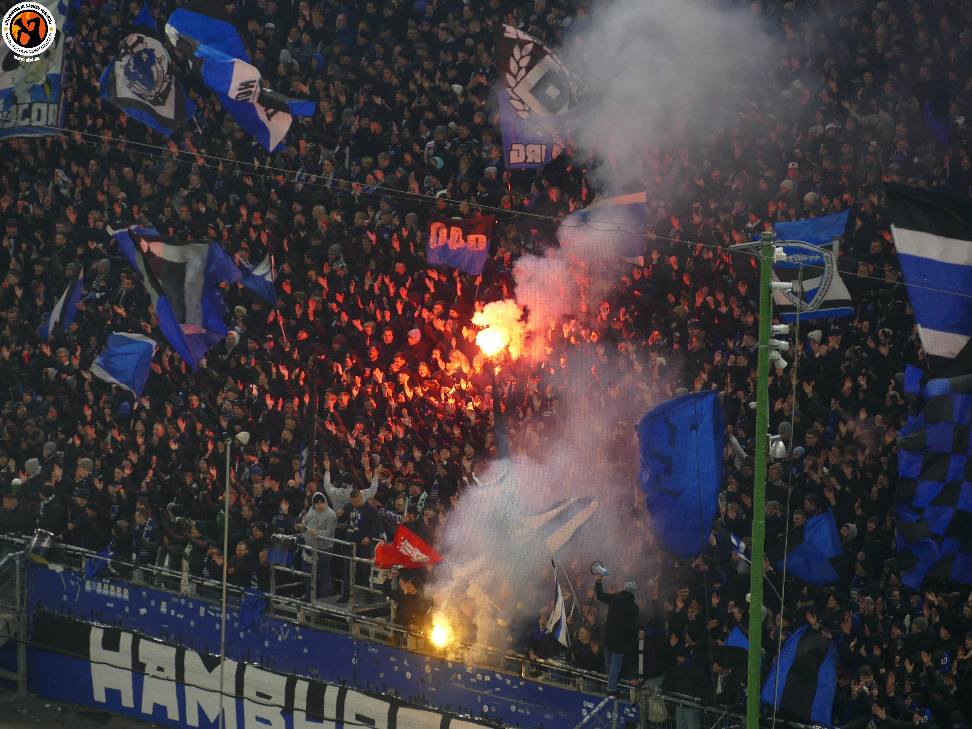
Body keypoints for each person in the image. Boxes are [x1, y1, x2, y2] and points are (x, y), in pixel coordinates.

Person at [595, 576, 639, 694]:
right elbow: (632, 628)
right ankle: (612, 689)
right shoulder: (634, 607)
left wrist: (598, 581)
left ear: (624, 588)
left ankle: (612, 686)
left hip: (608, 639)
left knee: (610, 666)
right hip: (621, 643)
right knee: (615, 667)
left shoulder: (615, 598)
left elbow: (600, 595)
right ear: (634, 592)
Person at [299, 491, 336, 599]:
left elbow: (330, 532)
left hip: (324, 549)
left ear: (325, 502)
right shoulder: (311, 510)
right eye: (317, 503)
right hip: (309, 548)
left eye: (322, 502)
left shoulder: (330, 514)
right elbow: (305, 523)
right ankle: (309, 596)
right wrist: (300, 526)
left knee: (324, 573)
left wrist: (318, 532)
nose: (319, 505)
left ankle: (326, 598)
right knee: (307, 573)